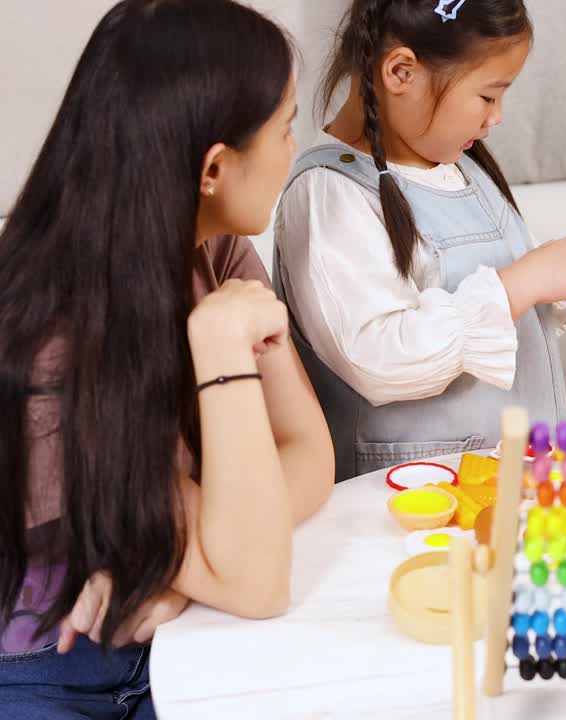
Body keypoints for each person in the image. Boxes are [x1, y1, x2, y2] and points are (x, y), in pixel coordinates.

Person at [0, 1, 335, 715]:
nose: (291, 150)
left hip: (171, 627)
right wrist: (219, 343)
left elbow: (308, 453)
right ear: (215, 166)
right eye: (284, 128)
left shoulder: (215, 249)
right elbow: (255, 578)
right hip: (45, 662)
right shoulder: (55, 344)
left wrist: (181, 574)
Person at [273, 0, 566, 481]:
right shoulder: (329, 194)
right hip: (411, 505)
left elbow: (506, 287)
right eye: (488, 96)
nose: (497, 117)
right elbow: (378, 359)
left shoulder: (459, 165)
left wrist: (559, 274)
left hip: (508, 488)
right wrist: (522, 283)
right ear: (401, 72)